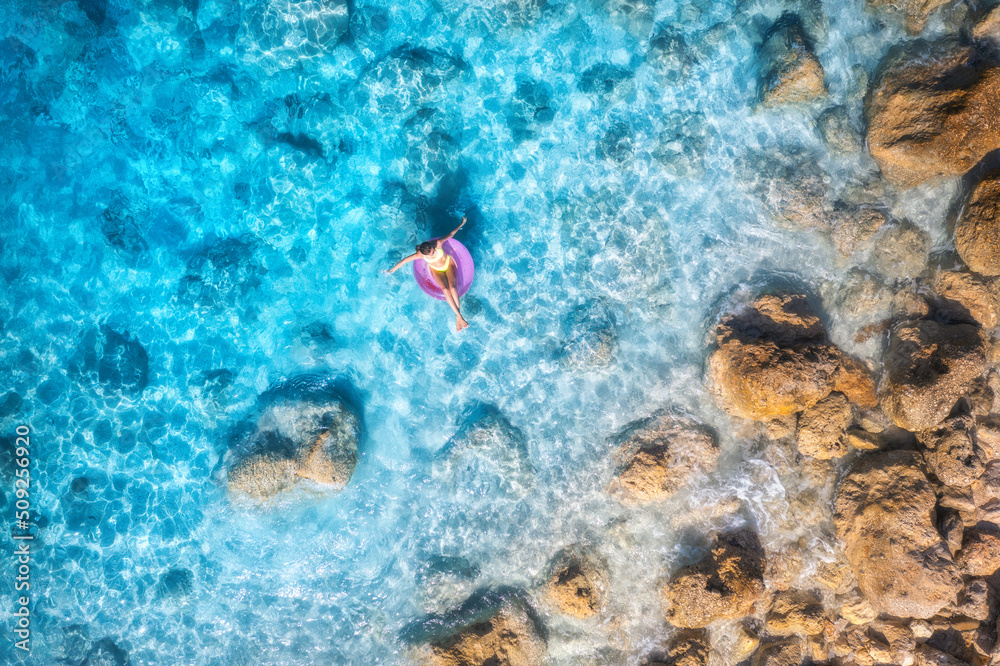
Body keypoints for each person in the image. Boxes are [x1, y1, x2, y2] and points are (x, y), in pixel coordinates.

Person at [386, 216, 469, 331]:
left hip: (448, 265)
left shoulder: (438, 244)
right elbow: (405, 260)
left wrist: (462, 223)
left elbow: (451, 234)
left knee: (453, 288)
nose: (434, 250)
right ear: (426, 254)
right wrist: (391, 270)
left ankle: (458, 317)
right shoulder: (420, 255)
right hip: (436, 270)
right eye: (432, 252)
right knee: (445, 290)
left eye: (433, 249)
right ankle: (459, 316)